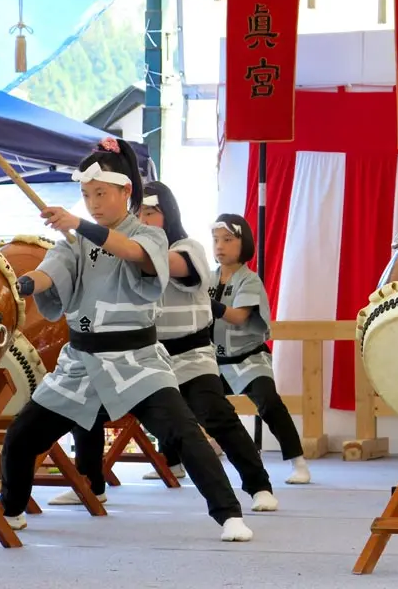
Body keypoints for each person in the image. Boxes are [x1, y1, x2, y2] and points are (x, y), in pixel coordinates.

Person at [0, 137, 255, 542]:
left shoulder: (150, 236)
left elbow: (134, 253)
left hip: (136, 360)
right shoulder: (78, 240)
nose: (93, 203)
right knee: (22, 435)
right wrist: (20, 284)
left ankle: (229, 515)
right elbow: (55, 270)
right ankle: (11, 511)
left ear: (125, 191)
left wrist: (78, 223)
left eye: (101, 193)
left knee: (183, 432)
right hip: (80, 362)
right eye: (86, 195)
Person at [50, 181, 280, 514]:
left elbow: (159, 262)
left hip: (191, 354)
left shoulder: (188, 248)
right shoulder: (118, 248)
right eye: (138, 211)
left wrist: (106, 238)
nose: (142, 217)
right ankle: (90, 483)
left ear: (168, 213)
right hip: (140, 357)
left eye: (151, 212)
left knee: (215, 415)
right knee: (85, 409)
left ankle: (258, 484)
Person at [154, 213, 311, 486]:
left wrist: (205, 301)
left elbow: (238, 316)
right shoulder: (207, 277)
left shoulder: (249, 280)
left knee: (269, 402)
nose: (220, 246)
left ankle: (298, 462)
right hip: (212, 360)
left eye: (228, 239)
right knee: (174, 401)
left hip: (248, 358)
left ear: (244, 243)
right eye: (216, 240)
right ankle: (173, 463)